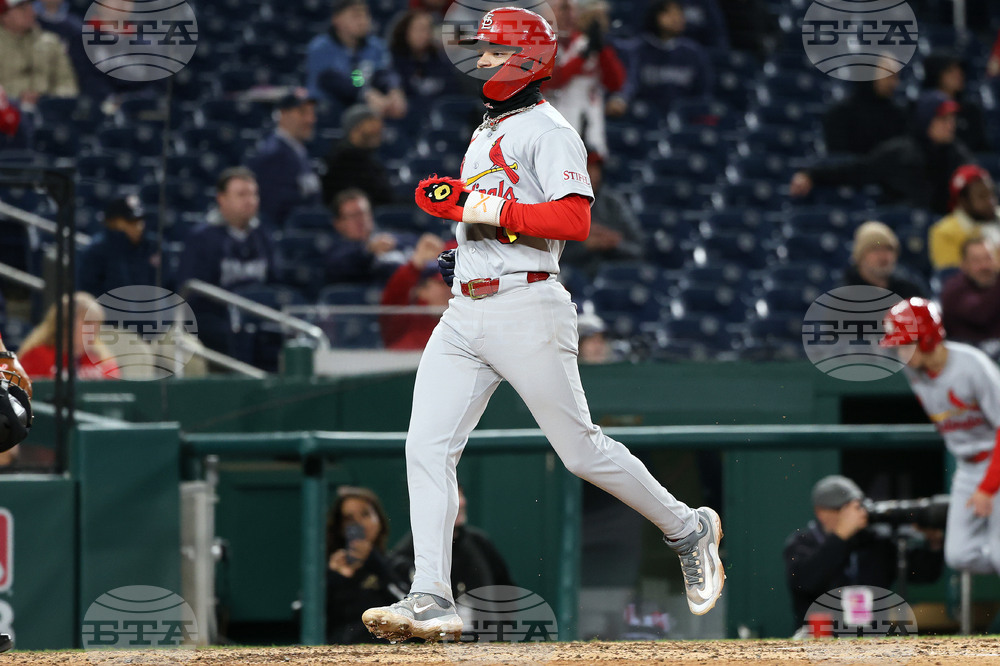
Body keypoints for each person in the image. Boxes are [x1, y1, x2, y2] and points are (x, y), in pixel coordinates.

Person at [361, 8, 724, 643]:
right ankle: (430, 596)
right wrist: (466, 246)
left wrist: (478, 206)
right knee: (425, 447)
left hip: (527, 306)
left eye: (494, 49)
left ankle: (686, 527)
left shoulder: (551, 129)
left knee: (580, 450)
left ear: (526, 58)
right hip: (465, 309)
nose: (480, 58)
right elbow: (503, 220)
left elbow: (572, 221)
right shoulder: (486, 129)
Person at [880, 298, 1000, 577]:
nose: (901, 353)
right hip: (968, 466)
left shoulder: (973, 366)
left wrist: (988, 487)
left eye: (906, 344)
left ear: (928, 338)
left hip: (995, 461)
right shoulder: (914, 371)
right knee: (959, 556)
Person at [783, 475, 942, 629]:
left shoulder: (874, 541)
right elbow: (806, 582)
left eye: (858, 507)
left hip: (870, 640)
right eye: (844, 509)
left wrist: (934, 541)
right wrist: (840, 536)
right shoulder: (802, 542)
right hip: (820, 640)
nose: (855, 514)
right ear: (821, 512)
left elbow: (925, 573)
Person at [790, 91, 975, 215]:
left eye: (952, 119)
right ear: (925, 121)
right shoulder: (899, 152)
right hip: (899, 228)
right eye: (943, 119)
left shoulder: (958, 155)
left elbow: (979, 188)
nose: (950, 125)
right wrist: (812, 174)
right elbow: (855, 171)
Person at [176, 168, 273, 364]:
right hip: (215, 320)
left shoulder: (262, 235)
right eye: (241, 194)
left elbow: (275, 281)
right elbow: (192, 294)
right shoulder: (202, 238)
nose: (249, 200)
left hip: (257, 316)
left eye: (253, 194)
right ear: (222, 199)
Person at [390, 483, 514, 602]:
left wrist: (499, 622)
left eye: (461, 495)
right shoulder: (416, 545)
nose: (461, 502)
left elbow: (505, 587)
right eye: (453, 496)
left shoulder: (479, 542)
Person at [326, 486, 408, 644]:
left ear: (379, 521)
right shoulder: (331, 569)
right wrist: (334, 578)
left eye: (365, 514)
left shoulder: (398, 566)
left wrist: (375, 562)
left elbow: (410, 612)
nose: (359, 523)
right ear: (340, 527)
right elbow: (304, 618)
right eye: (349, 518)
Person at [544, 0, 627, 158]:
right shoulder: (555, 43)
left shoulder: (598, 47)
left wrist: (600, 49)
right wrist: (584, 56)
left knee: (591, 175)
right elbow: (549, 82)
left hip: (590, 122)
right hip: (555, 121)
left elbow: (616, 83)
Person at [305, 0, 406, 119]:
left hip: (364, 117)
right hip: (326, 114)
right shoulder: (320, 47)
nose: (363, 20)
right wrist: (367, 95)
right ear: (336, 19)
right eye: (355, 15)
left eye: (366, 15)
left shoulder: (375, 46)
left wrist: (394, 89)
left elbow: (383, 73)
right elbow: (333, 81)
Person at [617, 0, 713, 115]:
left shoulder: (694, 52)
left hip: (683, 120)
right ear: (655, 15)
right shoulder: (636, 50)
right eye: (669, 14)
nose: (677, 19)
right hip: (642, 118)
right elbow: (628, 87)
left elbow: (703, 93)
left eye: (680, 14)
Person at [246, 89, 323, 229]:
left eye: (312, 113)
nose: (311, 119)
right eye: (303, 112)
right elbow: (273, 209)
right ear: (282, 114)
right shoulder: (273, 154)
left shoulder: (298, 150)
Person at [560, 151, 644, 278]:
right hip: (574, 279)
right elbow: (550, 256)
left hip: (615, 276)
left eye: (596, 169)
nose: (593, 174)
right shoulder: (562, 204)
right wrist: (585, 246)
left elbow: (639, 249)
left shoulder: (614, 203)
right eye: (588, 168)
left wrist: (614, 243)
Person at [17, 292, 118, 380]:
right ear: (65, 324)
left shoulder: (100, 357)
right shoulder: (37, 356)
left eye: (97, 323)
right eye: (88, 322)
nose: (95, 329)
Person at [379, 233, 452, 350]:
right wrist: (414, 265)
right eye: (441, 283)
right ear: (422, 291)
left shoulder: (466, 320)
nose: (450, 289)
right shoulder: (409, 328)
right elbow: (392, 303)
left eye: (453, 282)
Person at [822, 58, 908, 156]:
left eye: (896, 77)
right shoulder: (840, 114)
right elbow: (838, 160)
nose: (895, 83)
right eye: (889, 77)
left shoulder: (899, 114)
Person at [77, 195, 158, 298]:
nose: (139, 225)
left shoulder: (150, 247)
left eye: (140, 220)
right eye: (131, 221)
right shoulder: (97, 250)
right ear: (114, 222)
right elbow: (87, 292)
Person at [0, 0, 77, 106]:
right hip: (7, 109)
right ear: (4, 16)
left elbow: (67, 82)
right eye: (22, 8)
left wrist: (52, 99)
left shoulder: (51, 41)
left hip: (48, 110)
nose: (31, 11)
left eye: (30, 6)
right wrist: (16, 98)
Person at [324, 188, 406, 285]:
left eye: (363, 213)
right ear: (338, 224)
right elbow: (338, 266)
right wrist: (368, 250)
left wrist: (395, 243)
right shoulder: (337, 250)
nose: (360, 220)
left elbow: (411, 241)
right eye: (353, 216)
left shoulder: (386, 237)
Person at [928, 165, 1000, 275]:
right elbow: (950, 276)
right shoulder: (944, 232)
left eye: (991, 194)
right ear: (963, 202)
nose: (991, 202)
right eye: (982, 196)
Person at [321, 105, 397, 208]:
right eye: (371, 121)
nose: (379, 127)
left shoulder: (369, 158)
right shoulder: (341, 161)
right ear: (355, 127)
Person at [388, 10, 458, 110]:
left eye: (427, 29)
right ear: (406, 31)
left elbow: (452, 91)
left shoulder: (439, 59)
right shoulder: (394, 59)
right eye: (418, 29)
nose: (424, 34)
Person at [922, 51, 989, 153]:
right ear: (936, 73)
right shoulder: (922, 108)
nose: (959, 74)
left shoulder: (970, 109)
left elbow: (981, 147)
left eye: (960, 69)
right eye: (950, 70)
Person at [940, 238, 1000, 348]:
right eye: (976, 260)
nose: (984, 266)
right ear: (964, 264)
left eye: (989, 258)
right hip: (966, 355)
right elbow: (981, 314)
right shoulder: (954, 289)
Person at [842, 221, 926, 300]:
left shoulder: (909, 290)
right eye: (875, 249)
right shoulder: (844, 297)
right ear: (860, 257)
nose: (883, 256)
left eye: (888, 249)